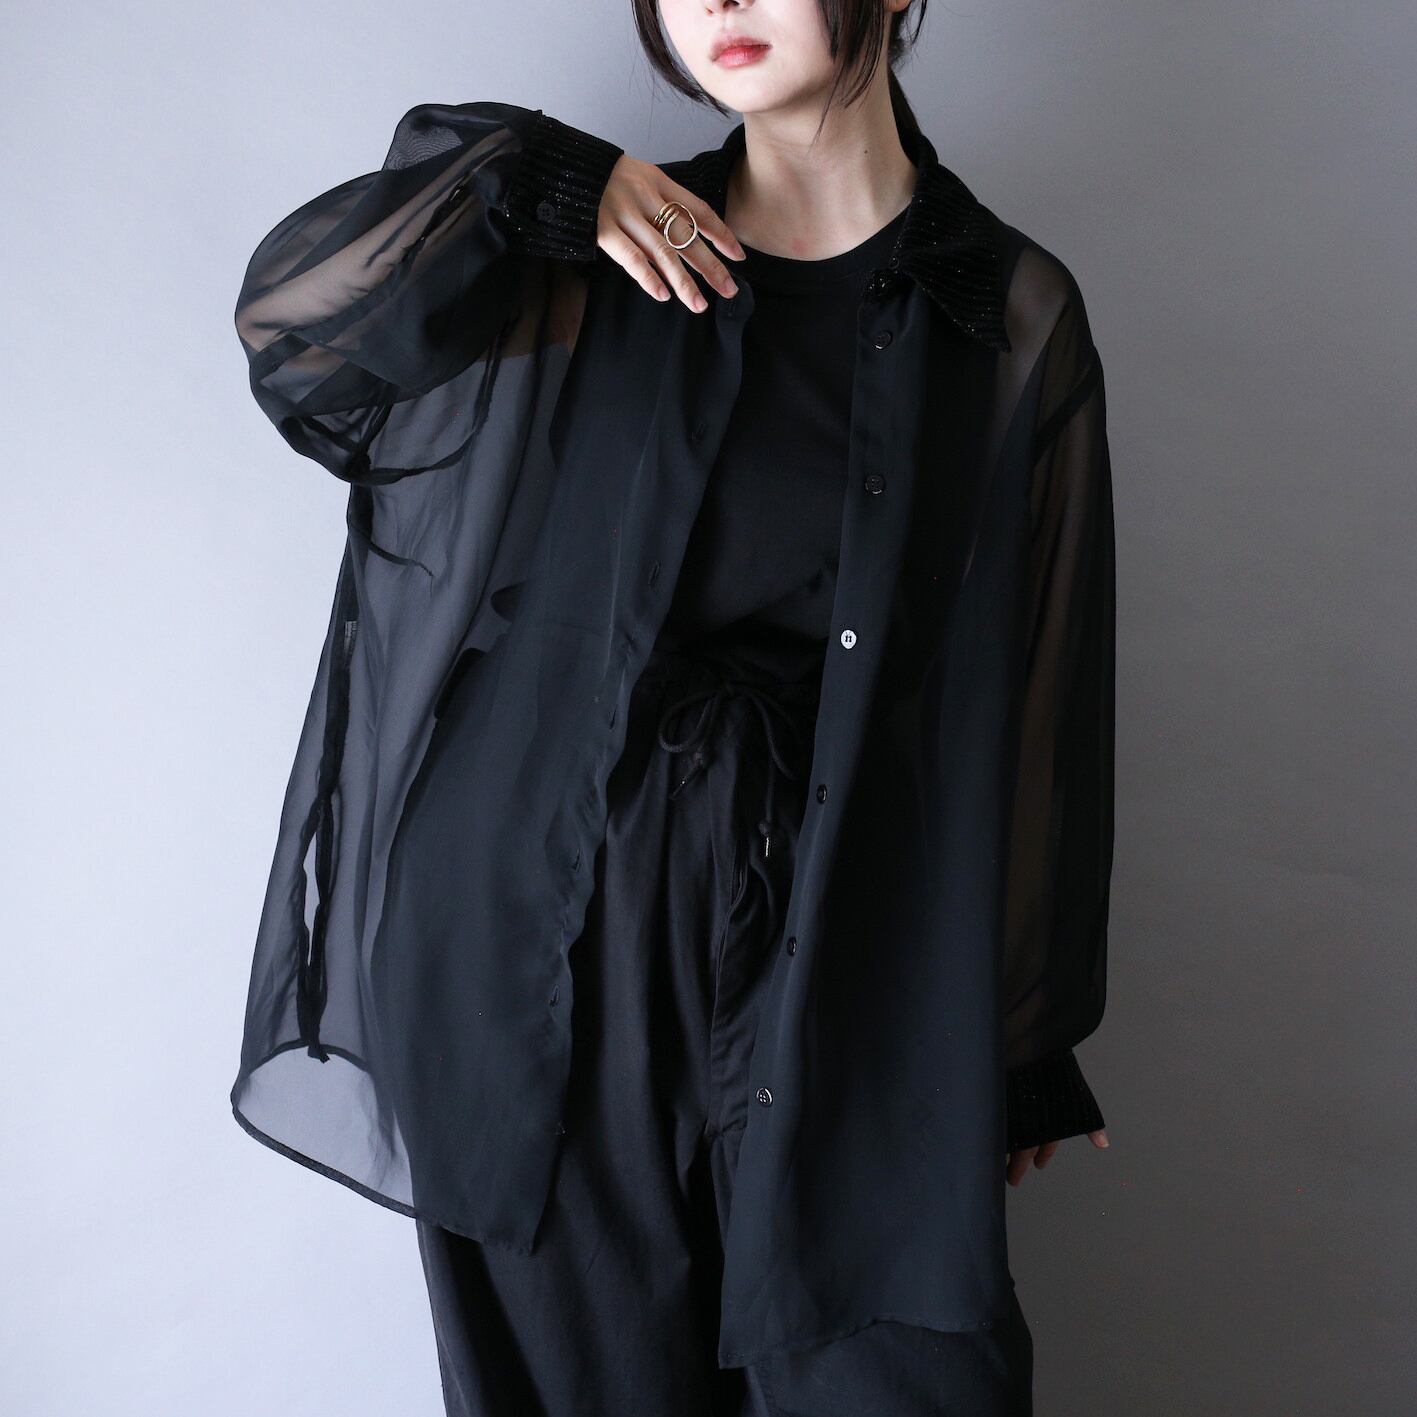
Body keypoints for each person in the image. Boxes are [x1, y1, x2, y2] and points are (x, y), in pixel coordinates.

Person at [229, 0, 1116, 1412]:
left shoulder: (999, 307)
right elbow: (300, 341)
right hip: (547, 943)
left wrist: (1018, 1035)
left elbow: (1039, 684)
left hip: (854, 955)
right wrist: (538, 182)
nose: (717, 1)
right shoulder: (599, 249)